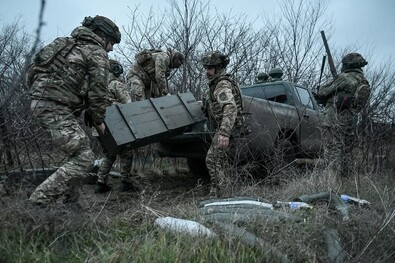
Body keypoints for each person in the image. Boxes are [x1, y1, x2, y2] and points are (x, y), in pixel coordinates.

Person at [27, 15, 121, 206]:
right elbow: (99, 92)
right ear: (101, 36)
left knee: (78, 152)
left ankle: (71, 203)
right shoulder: (95, 52)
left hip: (42, 103)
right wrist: (99, 121)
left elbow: (32, 71)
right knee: (85, 158)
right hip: (56, 108)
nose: (110, 48)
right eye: (111, 43)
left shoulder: (63, 43)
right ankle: (36, 203)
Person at [317, 53, 370, 178]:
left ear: (347, 65)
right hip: (351, 119)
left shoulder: (345, 77)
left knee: (333, 148)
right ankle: (345, 178)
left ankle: (332, 179)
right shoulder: (363, 80)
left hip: (335, 117)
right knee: (346, 149)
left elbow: (323, 91)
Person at [201, 51, 244, 197]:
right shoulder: (216, 84)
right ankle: (220, 191)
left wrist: (224, 133)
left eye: (210, 68)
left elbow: (230, 107)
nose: (207, 71)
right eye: (206, 68)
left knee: (212, 159)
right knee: (221, 161)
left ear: (218, 68)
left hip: (229, 127)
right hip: (227, 126)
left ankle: (219, 194)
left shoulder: (221, 84)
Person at [94, 60, 141, 193]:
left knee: (109, 154)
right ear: (115, 70)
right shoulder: (116, 85)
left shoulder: (97, 85)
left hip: (98, 125)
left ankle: (100, 182)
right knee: (127, 153)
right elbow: (128, 105)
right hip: (116, 125)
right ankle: (125, 181)